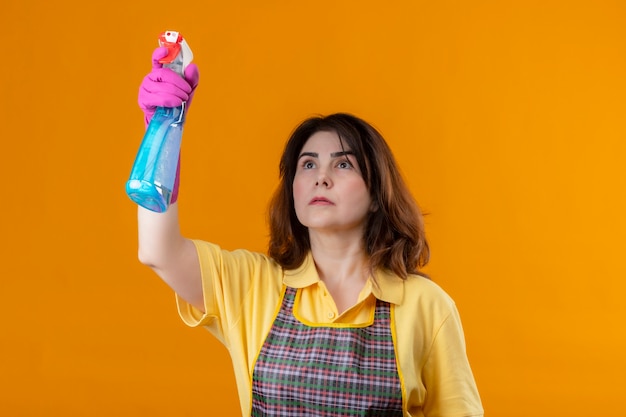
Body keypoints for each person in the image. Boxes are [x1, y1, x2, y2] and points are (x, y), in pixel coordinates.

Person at [135, 46, 484, 417]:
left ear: (378, 195)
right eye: (308, 164)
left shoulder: (427, 306)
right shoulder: (254, 286)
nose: (321, 177)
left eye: (344, 163)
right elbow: (158, 251)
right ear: (294, 193)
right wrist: (161, 136)